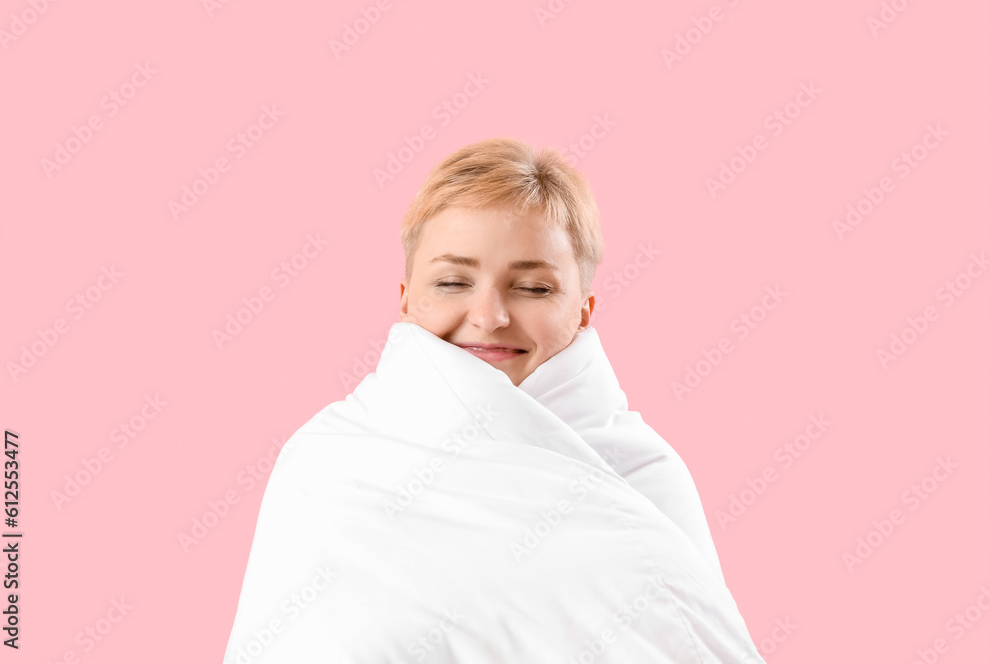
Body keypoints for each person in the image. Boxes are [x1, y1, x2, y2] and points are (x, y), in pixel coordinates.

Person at [222, 137, 765, 663]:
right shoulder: (328, 463)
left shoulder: (643, 476)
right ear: (407, 298)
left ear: (584, 307)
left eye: (533, 288)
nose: (489, 317)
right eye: (454, 282)